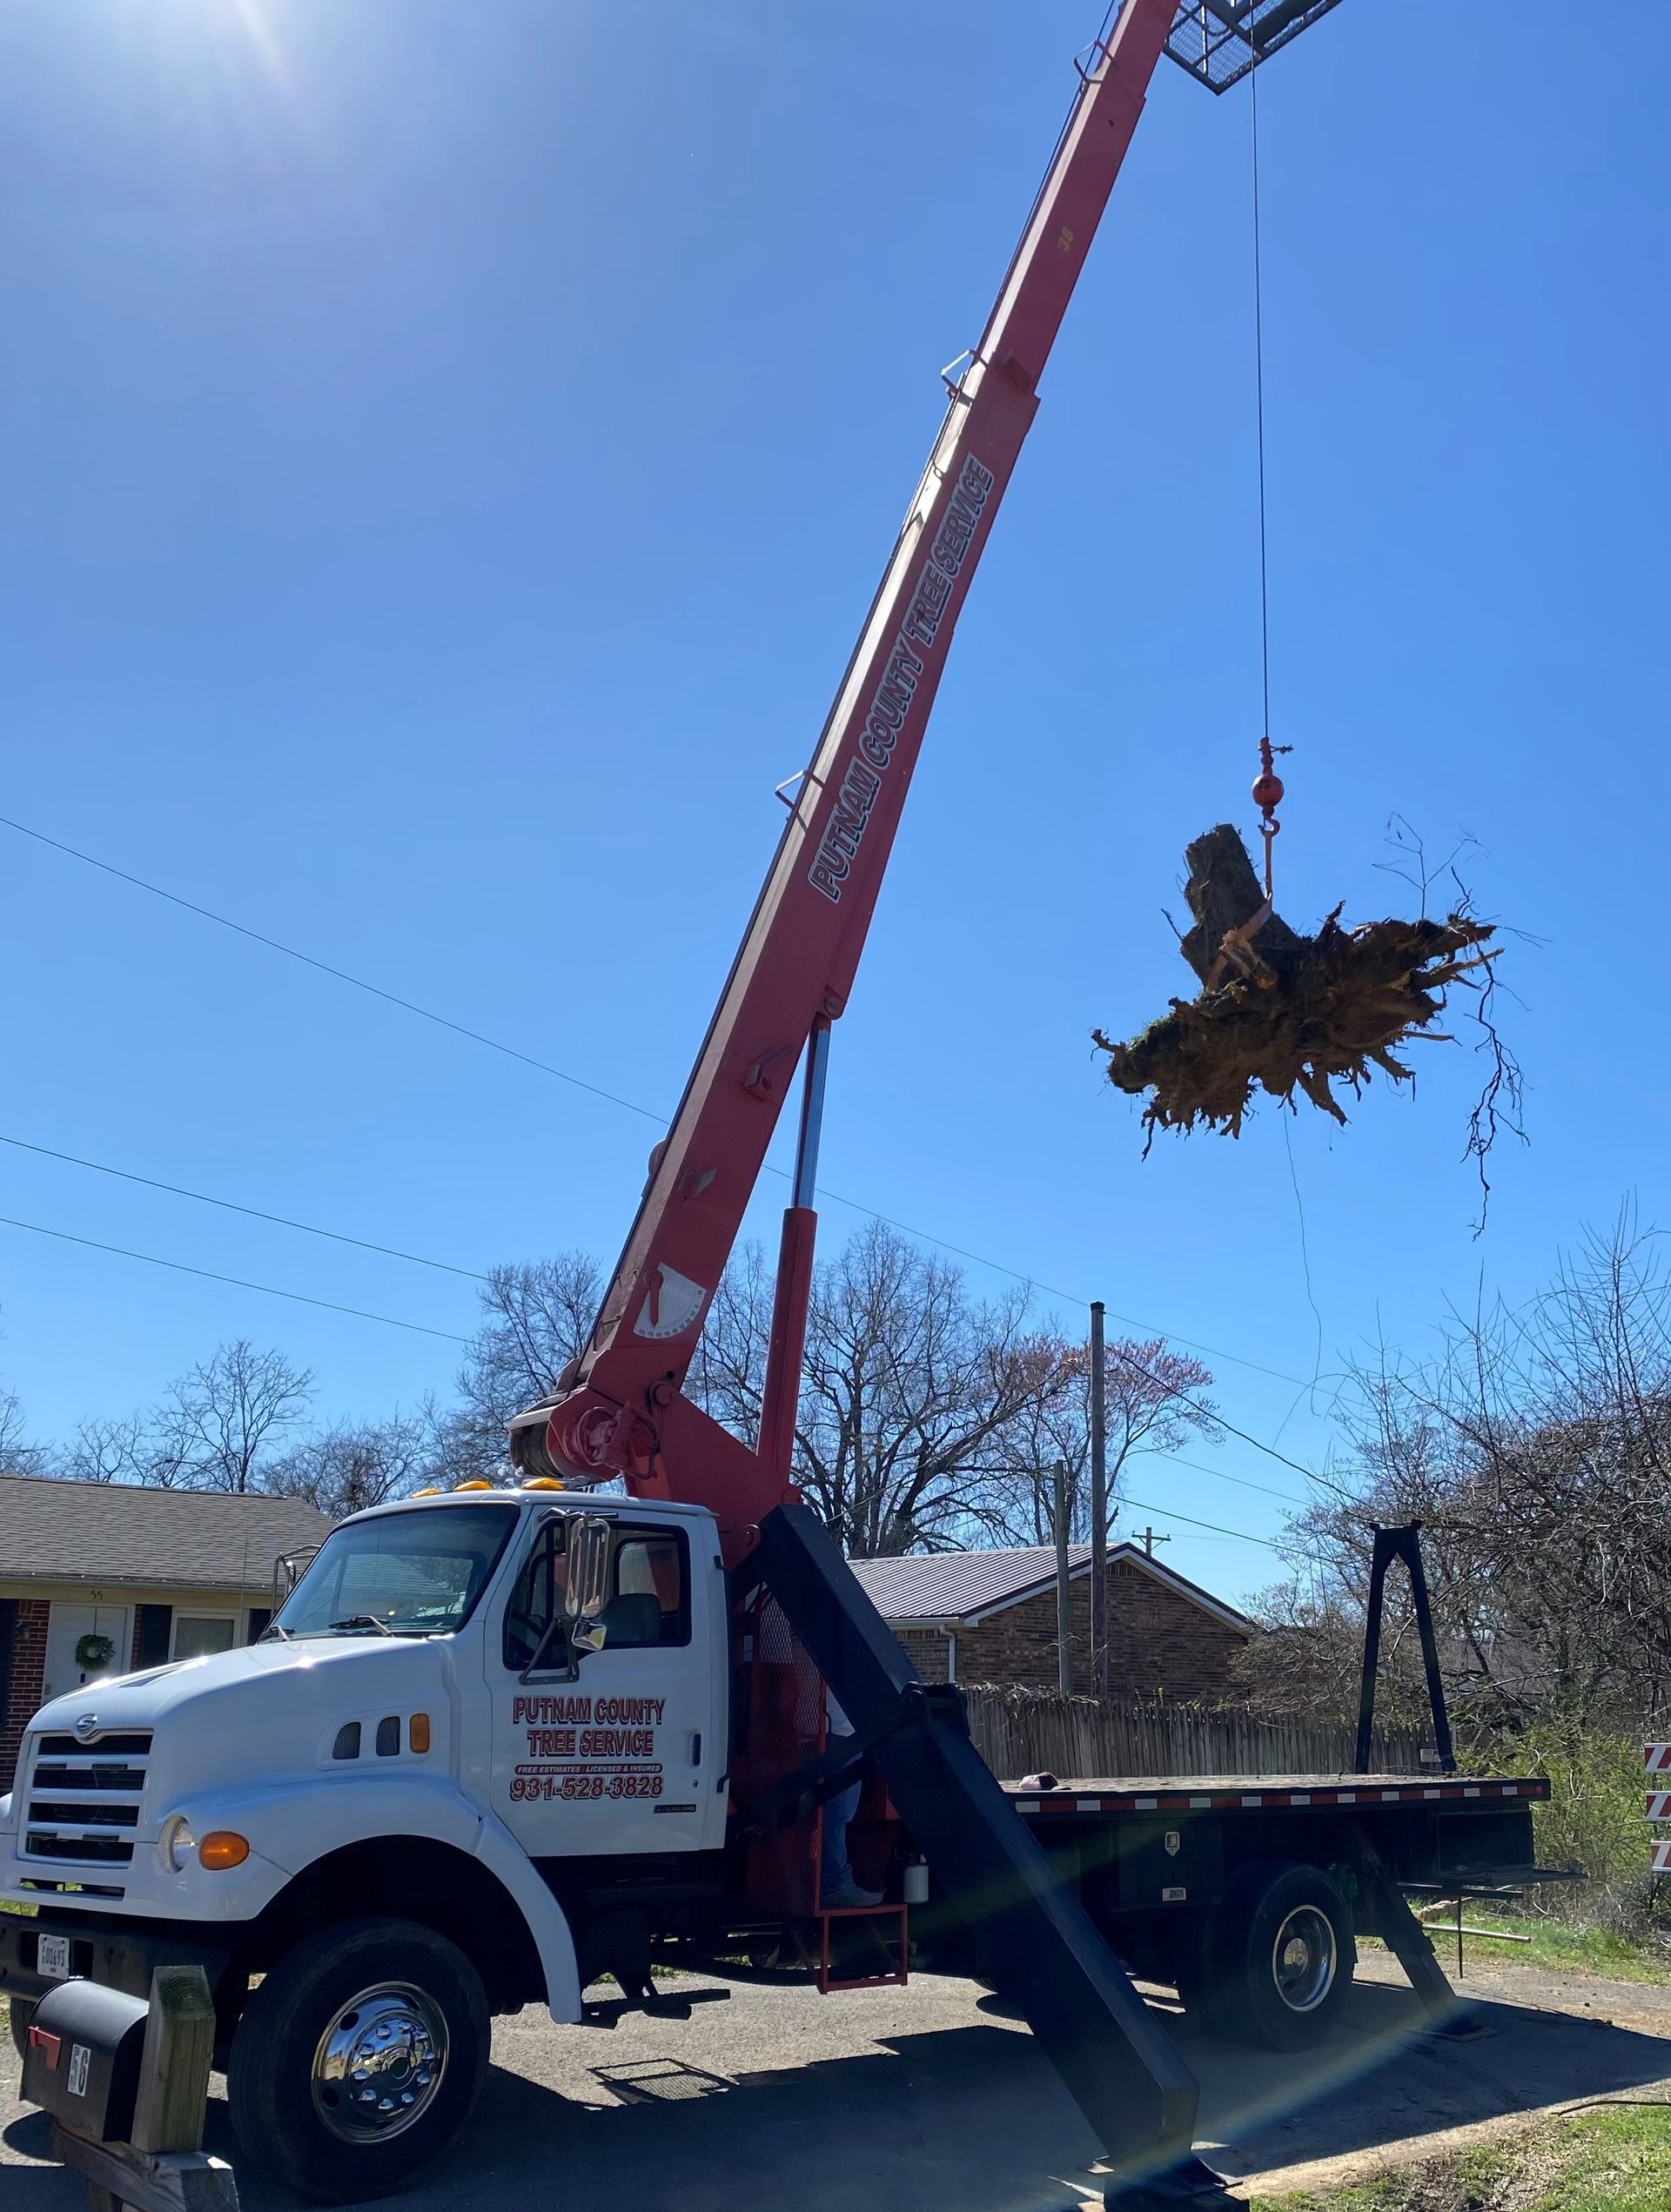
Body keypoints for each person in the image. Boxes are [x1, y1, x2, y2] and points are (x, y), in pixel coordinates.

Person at [820, 1686, 882, 1908]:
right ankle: (834, 1884)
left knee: (831, 1815)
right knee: (838, 1815)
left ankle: (829, 1882)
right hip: (841, 1733)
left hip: (831, 1730)